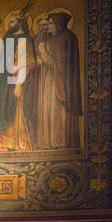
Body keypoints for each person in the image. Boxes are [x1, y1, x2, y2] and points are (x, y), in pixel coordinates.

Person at [0, 11, 36, 150]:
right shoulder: (6, 40)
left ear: (21, 23)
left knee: (11, 108)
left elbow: (25, 64)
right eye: (8, 22)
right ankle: (0, 142)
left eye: (12, 22)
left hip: (13, 80)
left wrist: (19, 85)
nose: (9, 25)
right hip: (1, 80)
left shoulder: (24, 40)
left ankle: (16, 143)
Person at [37, 12, 83, 149]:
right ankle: (48, 142)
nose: (48, 27)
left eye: (51, 23)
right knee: (49, 108)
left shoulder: (65, 39)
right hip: (49, 80)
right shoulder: (53, 39)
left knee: (57, 110)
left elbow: (59, 64)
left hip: (59, 83)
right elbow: (51, 61)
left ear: (59, 23)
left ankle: (59, 142)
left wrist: (44, 53)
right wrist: (42, 60)